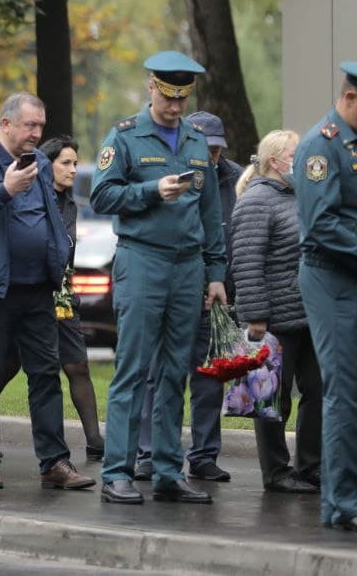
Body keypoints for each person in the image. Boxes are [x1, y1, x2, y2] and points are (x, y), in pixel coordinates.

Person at [91, 51, 227, 506]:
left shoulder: (194, 140)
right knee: (132, 369)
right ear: (151, 87)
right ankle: (117, 472)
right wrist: (151, 191)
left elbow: (210, 214)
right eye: (168, 96)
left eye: (181, 97)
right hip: (142, 259)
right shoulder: (126, 136)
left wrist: (215, 273)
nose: (174, 106)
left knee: (174, 372)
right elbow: (103, 194)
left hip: (188, 266)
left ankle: (169, 471)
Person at [0, 95, 93, 491]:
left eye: (40, 127)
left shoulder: (41, 163)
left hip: (37, 288)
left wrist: (59, 256)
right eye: (30, 126)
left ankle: (54, 462)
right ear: (6, 124)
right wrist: (4, 190)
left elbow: (49, 211)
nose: (36, 134)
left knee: (46, 374)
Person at [133, 110, 242, 483]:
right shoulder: (169, 170)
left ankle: (204, 454)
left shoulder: (235, 178)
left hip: (214, 291)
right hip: (172, 284)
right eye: (206, 149)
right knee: (157, 373)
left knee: (211, 375)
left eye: (217, 150)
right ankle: (149, 452)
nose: (211, 157)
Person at [0, 136, 104, 463]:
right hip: (27, 291)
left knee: (77, 364)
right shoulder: (29, 196)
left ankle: (95, 439)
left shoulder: (69, 203)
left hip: (61, 293)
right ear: (46, 165)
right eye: (65, 163)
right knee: (9, 363)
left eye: (74, 163)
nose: (72, 170)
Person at [231, 129, 320, 494]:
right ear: (274, 161)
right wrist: (255, 318)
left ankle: (312, 466)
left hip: (309, 315)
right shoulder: (256, 201)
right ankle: (277, 472)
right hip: (271, 319)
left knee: (318, 391)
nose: (301, 163)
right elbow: (247, 263)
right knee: (270, 397)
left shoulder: (299, 197)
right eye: (295, 156)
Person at [294, 62, 357, 528]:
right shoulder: (321, 145)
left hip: (350, 274)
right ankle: (341, 504)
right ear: (350, 98)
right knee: (343, 391)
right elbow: (321, 224)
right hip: (329, 277)